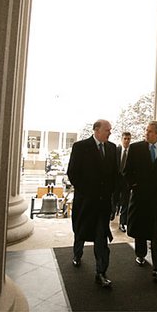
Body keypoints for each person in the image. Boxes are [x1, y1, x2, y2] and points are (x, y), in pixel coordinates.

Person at [67, 119, 118, 288]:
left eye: (110, 130)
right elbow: (73, 173)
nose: (109, 133)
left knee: (101, 238)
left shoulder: (111, 148)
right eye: (107, 130)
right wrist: (87, 192)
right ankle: (77, 254)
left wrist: (119, 195)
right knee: (80, 232)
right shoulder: (80, 147)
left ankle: (101, 272)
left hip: (103, 205)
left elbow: (114, 175)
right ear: (96, 130)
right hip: (86, 203)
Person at [123, 120, 157, 280]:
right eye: (146, 131)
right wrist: (134, 185)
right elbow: (127, 171)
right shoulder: (135, 148)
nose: (146, 134)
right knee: (140, 229)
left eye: (150, 131)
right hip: (140, 197)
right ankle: (140, 254)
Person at [112, 132, 132, 232]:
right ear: (121, 139)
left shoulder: (133, 152)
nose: (127, 141)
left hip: (127, 182)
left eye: (128, 139)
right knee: (113, 199)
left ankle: (122, 223)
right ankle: (111, 214)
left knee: (125, 202)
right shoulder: (116, 150)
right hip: (115, 181)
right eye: (125, 139)